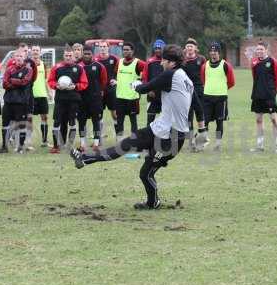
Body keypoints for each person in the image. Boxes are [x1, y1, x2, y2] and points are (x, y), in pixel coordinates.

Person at [70, 44, 193, 210]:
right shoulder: (184, 77)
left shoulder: (171, 74)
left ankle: (153, 203)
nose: (161, 62)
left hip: (172, 138)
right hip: (158, 128)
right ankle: (84, 158)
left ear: (171, 62)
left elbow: (144, 88)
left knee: (146, 173)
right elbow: (189, 103)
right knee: (124, 145)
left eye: (164, 60)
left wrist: (135, 85)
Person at [47, 46, 88, 153]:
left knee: (72, 122)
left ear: (74, 56)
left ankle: (69, 145)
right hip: (60, 99)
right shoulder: (57, 67)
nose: (68, 57)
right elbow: (50, 81)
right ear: (63, 56)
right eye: (66, 55)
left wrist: (75, 86)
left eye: (70, 55)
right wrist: (56, 85)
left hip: (73, 99)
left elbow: (84, 83)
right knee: (58, 122)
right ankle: (57, 146)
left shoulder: (79, 68)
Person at [0, 50, 34, 153]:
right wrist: (17, 82)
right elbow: (4, 83)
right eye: (17, 56)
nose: (18, 58)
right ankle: (4, 146)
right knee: (5, 124)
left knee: (21, 125)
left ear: (24, 57)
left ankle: (20, 147)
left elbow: (25, 83)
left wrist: (12, 81)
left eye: (21, 56)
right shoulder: (9, 69)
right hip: (8, 102)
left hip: (21, 103)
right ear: (13, 57)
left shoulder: (28, 70)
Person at [201, 41, 235, 151]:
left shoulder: (225, 65)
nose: (213, 53)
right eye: (211, 51)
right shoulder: (204, 65)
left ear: (219, 53)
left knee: (219, 121)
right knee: (204, 121)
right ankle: (203, 142)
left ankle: (218, 144)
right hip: (207, 97)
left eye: (215, 51)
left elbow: (231, 82)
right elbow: (203, 80)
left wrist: (222, 89)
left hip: (221, 98)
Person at [250, 40, 277, 153]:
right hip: (257, 95)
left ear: (266, 50)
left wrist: (273, 93)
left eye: (261, 49)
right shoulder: (254, 62)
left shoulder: (273, 62)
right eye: (258, 49)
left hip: (269, 96)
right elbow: (255, 78)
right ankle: (260, 146)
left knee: (273, 119)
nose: (259, 51)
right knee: (258, 120)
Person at [77, 45, 107, 151]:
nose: (87, 56)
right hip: (81, 99)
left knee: (96, 121)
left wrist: (99, 92)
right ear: (82, 54)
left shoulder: (99, 66)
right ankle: (82, 144)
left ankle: (96, 144)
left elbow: (104, 81)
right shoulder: (78, 66)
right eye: (85, 54)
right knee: (81, 122)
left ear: (92, 54)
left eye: (89, 54)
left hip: (95, 99)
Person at [114, 42, 145, 141]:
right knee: (120, 120)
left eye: (128, 49)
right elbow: (115, 74)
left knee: (133, 121)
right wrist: (114, 80)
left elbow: (147, 71)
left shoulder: (138, 63)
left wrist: (141, 81)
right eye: (124, 50)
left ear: (132, 51)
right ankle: (120, 141)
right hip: (120, 96)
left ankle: (134, 141)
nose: (126, 51)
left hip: (132, 97)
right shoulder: (119, 62)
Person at [183, 38, 208, 152]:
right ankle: (191, 141)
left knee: (200, 114)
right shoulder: (182, 60)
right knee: (188, 116)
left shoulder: (201, 59)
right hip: (186, 90)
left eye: (191, 46)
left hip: (199, 89)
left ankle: (201, 140)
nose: (189, 48)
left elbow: (207, 73)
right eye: (187, 46)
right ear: (185, 48)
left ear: (196, 49)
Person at [95, 41, 119, 139]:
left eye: (104, 46)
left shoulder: (114, 59)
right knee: (98, 114)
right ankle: (98, 138)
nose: (102, 48)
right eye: (101, 46)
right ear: (98, 48)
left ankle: (118, 136)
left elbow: (120, 71)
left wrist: (116, 80)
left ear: (108, 48)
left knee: (114, 113)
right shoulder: (95, 59)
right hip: (99, 91)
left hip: (111, 91)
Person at [30, 45, 51, 147]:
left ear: (40, 52)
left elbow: (45, 80)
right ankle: (28, 141)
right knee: (29, 118)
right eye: (33, 50)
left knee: (45, 117)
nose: (35, 52)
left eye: (37, 50)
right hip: (31, 96)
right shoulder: (27, 64)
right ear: (31, 51)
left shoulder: (44, 64)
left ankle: (44, 140)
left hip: (42, 95)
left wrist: (49, 92)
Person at [142, 39, 165, 126]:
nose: (158, 50)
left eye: (160, 48)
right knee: (150, 121)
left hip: (165, 95)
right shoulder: (150, 61)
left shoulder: (167, 61)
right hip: (152, 95)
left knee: (166, 120)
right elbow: (145, 77)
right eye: (156, 48)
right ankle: (149, 138)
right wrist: (148, 90)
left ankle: (164, 138)